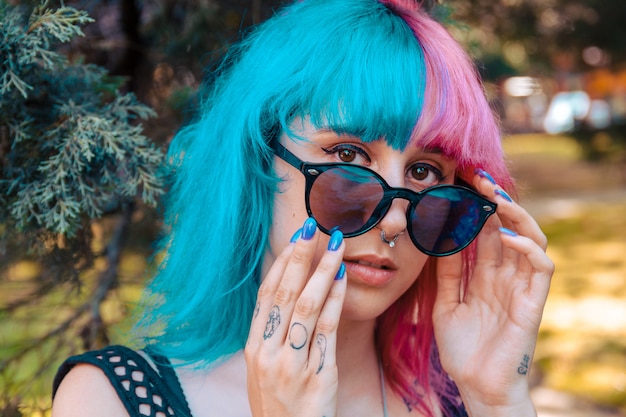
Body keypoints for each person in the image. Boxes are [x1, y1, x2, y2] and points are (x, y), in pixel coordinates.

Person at [52, 0, 554, 416]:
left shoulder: (461, 393)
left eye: (425, 172)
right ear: (256, 166)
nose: (397, 219)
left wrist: (496, 402)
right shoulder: (107, 400)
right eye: (349, 156)